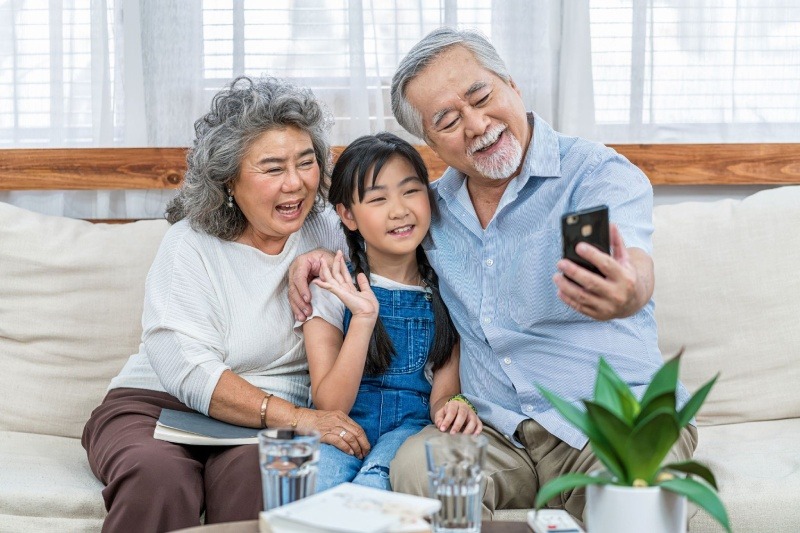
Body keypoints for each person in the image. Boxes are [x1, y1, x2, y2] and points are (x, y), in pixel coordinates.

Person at [289, 28, 697, 520]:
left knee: (636, 496)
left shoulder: (593, 175)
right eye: (447, 120)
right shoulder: (430, 209)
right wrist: (311, 253)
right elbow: (365, 222)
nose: (477, 124)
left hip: (612, 419)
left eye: (481, 96)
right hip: (494, 433)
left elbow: (633, 262)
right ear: (430, 140)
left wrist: (627, 291)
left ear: (511, 84)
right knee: (417, 466)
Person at [82, 76, 370, 533]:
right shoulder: (188, 245)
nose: (295, 183)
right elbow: (188, 369)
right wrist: (299, 417)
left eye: (306, 162)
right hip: (158, 405)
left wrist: (320, 257)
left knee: (269, 480)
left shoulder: (331, 231)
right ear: (229, 179)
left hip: (267, 429)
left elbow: (407, 254)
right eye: (272, 168)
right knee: (158, 478)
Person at [297, 133, 482, 492]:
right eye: (378, 199)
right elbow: (330, 404)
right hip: (342, 431)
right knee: (315, 488)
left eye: (411, 191)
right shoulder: (332, 288)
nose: (399, 210)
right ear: (347, 215)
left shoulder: (448, 290)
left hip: (411, 435)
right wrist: (364, 320)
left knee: (376, 486)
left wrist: (456, 405)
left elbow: (443, 395)